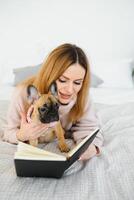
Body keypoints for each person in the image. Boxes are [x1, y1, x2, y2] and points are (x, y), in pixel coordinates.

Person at [3, 43, 103, 160]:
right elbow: (8, 132)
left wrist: (91, 148)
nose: (70, 90)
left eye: (77, 82)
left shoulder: (82, 96)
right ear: (50, 74)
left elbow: (90, 129)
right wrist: (21, 135)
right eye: (62, 80)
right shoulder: (22, 94)